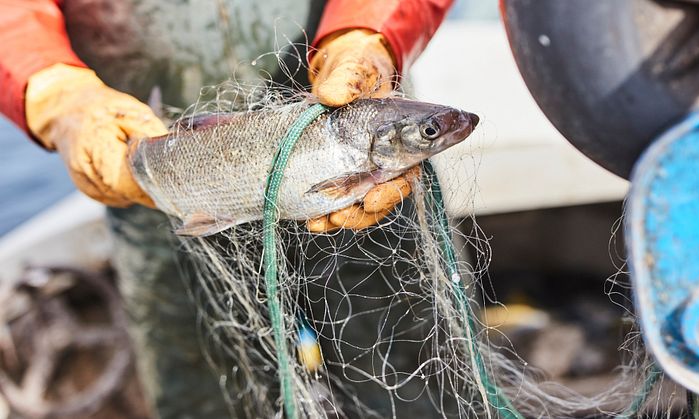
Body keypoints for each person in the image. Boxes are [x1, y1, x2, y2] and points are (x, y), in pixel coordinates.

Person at [0, 1, 453, 417]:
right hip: (158, 187)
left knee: (414, 370)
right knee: (207, 386)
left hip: (355, 125)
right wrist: (54, 92)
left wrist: (368, 32)